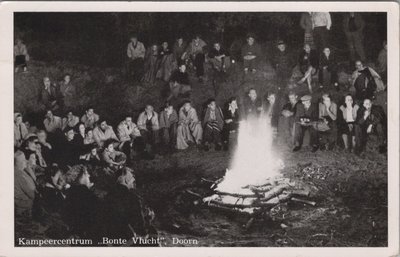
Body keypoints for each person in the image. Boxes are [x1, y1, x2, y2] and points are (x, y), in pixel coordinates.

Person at [95, 168, 150, 242]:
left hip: (108, 239)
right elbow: (139, 226)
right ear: (123, 178)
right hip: (126, 240)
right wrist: (148, 219)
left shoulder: (107, 196)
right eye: (131, 176)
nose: (133, 178)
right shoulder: (132, 198)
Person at [64, 166, 97, 237]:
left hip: (76, 233)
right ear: (81, 176)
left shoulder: (70, 193)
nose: (89, 175)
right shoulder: (86, 193)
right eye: (87, 173)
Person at [14, 150, 37, 216]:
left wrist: (28, 168)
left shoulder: (21, 170)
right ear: (18, 163)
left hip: (28, 205)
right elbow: (32, 195)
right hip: (25, 209)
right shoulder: (18, 175)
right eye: (24, 160)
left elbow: (34, 181)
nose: (26, 161)